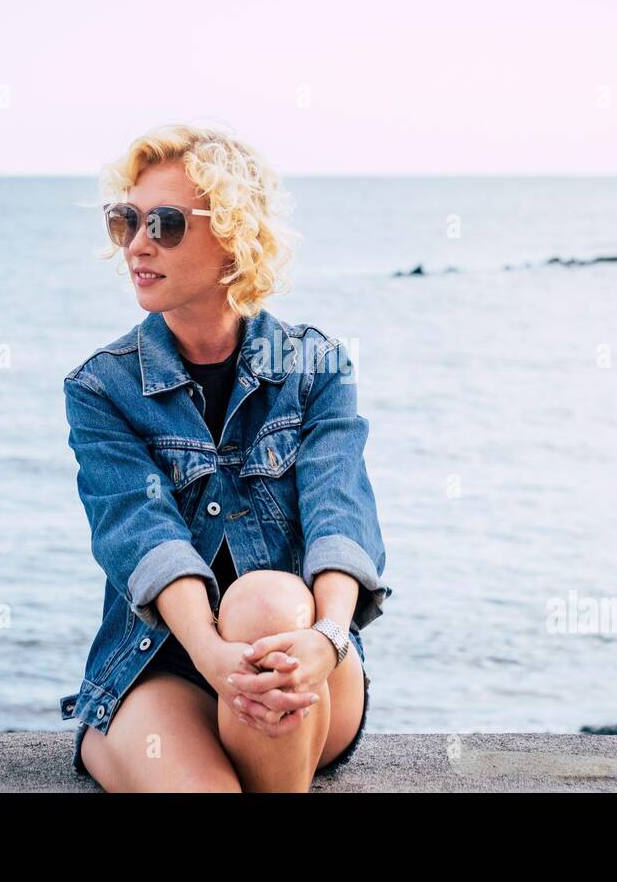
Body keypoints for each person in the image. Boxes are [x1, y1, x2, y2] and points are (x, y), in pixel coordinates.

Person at [60, 124, 392, 792]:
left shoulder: (314, 367)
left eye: (166, 223)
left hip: (304, 662)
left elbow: (340, 514)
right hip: (164, 668)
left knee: (267, 599)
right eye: (126, 221)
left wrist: (327, 639)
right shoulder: (102, 388)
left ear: (234, 235)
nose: (138, 244)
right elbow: (141, 534)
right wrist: (212, 658)